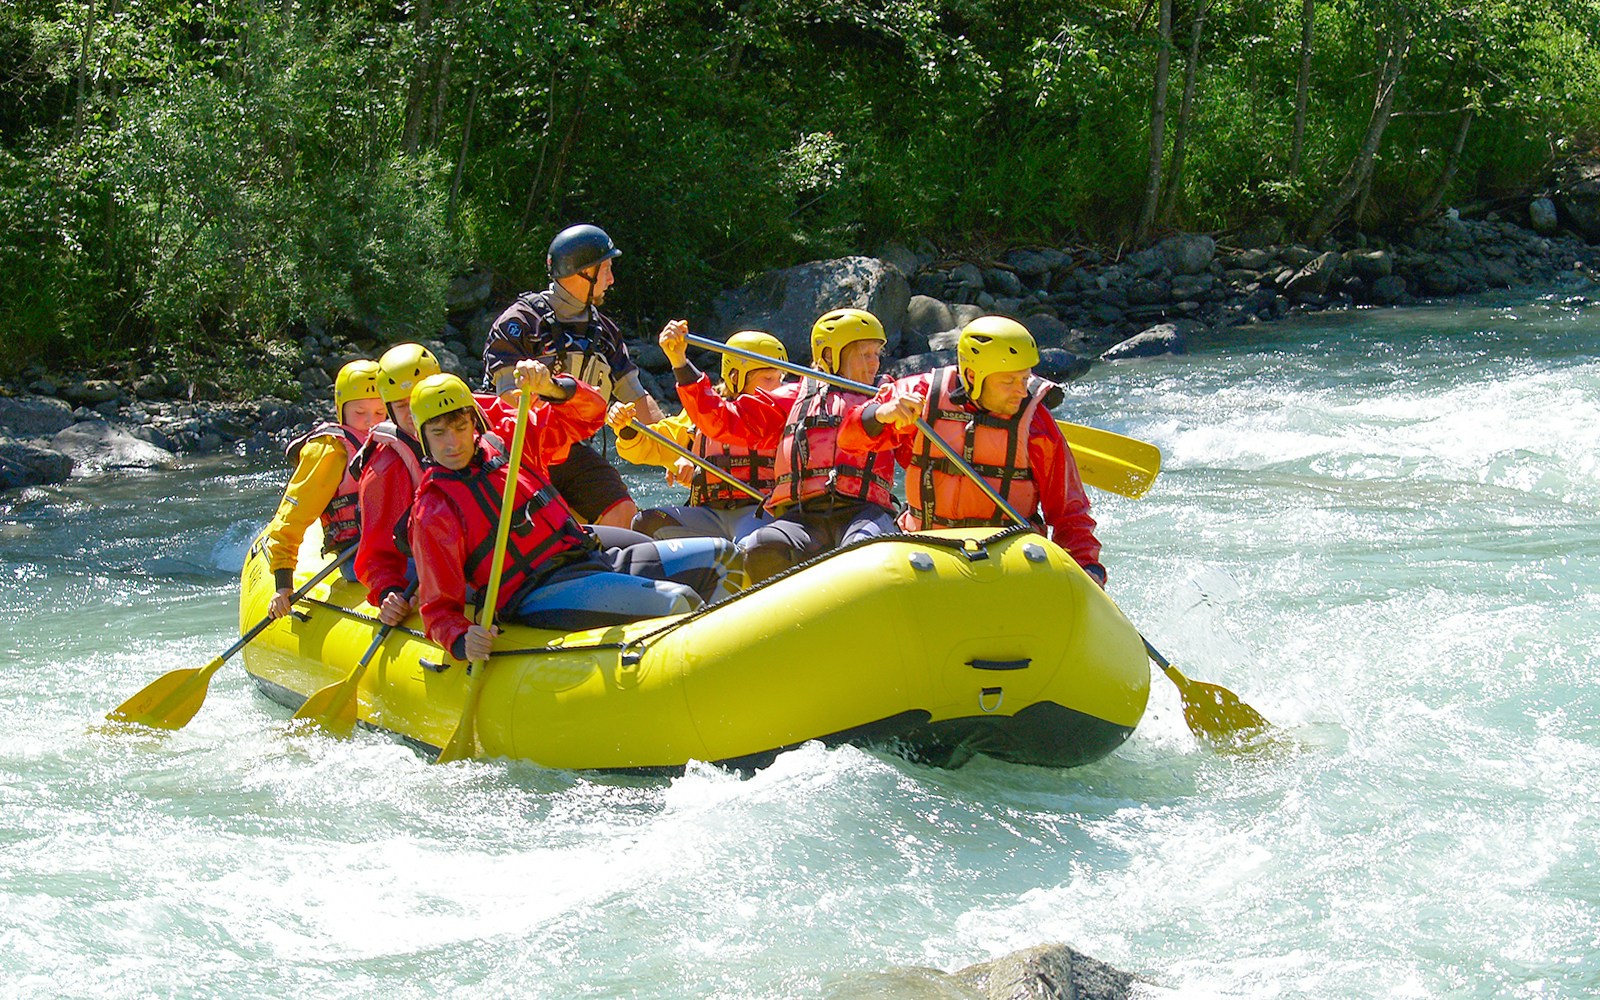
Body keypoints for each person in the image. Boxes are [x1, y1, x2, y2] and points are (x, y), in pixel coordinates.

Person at [407, 371, 746, 661]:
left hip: (591, 558)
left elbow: (589, 415)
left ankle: (732, 665)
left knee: (725, 555)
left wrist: (553, 387)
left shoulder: (510, 441)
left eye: (459, 428)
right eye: (439, 433)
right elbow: (438, 609)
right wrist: (461, 640)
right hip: (538, 591)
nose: (453, 443)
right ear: (424, 437)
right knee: (676, 602)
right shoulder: (433, 510)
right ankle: (697, 683)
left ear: (474, 423)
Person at [837, 316, 1106, 585]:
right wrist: (879, 414)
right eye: (1008, 381)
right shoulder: (918, 396)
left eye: (1024, 378)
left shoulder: (1036, 423)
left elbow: (1070, 511)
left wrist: (1086, 566)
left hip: (1008, 556)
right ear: (973, 377)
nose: (1021, 392)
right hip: (927, 550)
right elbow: (849, 441)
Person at [672, 308, 899, 584]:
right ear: (830, 355)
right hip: (804, 516)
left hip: (865, 512)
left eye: (877, 354)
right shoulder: (794, 399)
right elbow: (723, 420)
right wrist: (681, 364)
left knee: (861, 548)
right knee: (762, 546)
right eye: (865, 354)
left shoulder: (890, 400)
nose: (874, 364)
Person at [480, 223, 667, 530]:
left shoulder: (604, 333)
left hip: (571, 450)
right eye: (605, 269)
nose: (611, 279)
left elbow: (637, 397)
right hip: (518, 450)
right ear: (582, 273)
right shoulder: (520, 322)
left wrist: (673, 449)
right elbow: (508, 397)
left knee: (624, 515)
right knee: (546, 524)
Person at [606, 326, 788, 541]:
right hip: (708, 514)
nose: (777, 386)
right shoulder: (701, 415)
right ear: (735, 376)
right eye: (768, 378)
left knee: (758, 545)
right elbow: (651, 445)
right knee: (646, 522)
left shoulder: (783, 413)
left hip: (758, 511)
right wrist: (627, 429)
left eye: (780, 377)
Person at [263, 359, 385, 619]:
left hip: (397, 549)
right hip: (359, 557)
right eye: (360, 412)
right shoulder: (330, 450)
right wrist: (283, 584)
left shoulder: (396, 439)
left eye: (380, 413)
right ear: (341, 410)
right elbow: (292, 516)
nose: (370, 421)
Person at [351, 342, 440, 626]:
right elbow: (377, 552)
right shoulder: (385, 467)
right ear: (389, 409)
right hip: (428, 565)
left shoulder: (472, 421)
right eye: (402, 405)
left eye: (421, 399)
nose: (415, 411)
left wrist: (556, 390)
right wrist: (389, 591)